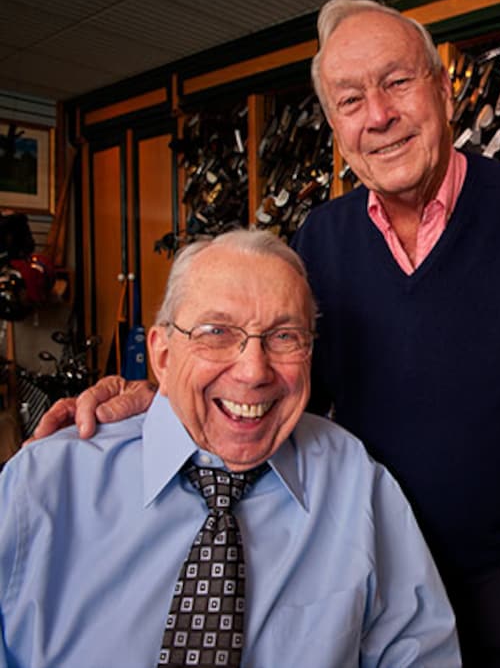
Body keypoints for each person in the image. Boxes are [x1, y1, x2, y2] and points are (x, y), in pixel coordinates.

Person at [35, 0, 500, 667]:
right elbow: (273, 383)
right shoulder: (322, 236)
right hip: (368, 573)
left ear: (442, 87)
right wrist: (161, 395)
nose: (378, 115)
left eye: (397, 82)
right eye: (351, 100)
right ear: (336, 127)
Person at [2, 228, 460, 667]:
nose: (253, 371)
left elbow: (420, 654)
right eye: (216, 332)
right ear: (161, 355)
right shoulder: (44, 482)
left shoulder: (355, 480)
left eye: (284, 336)